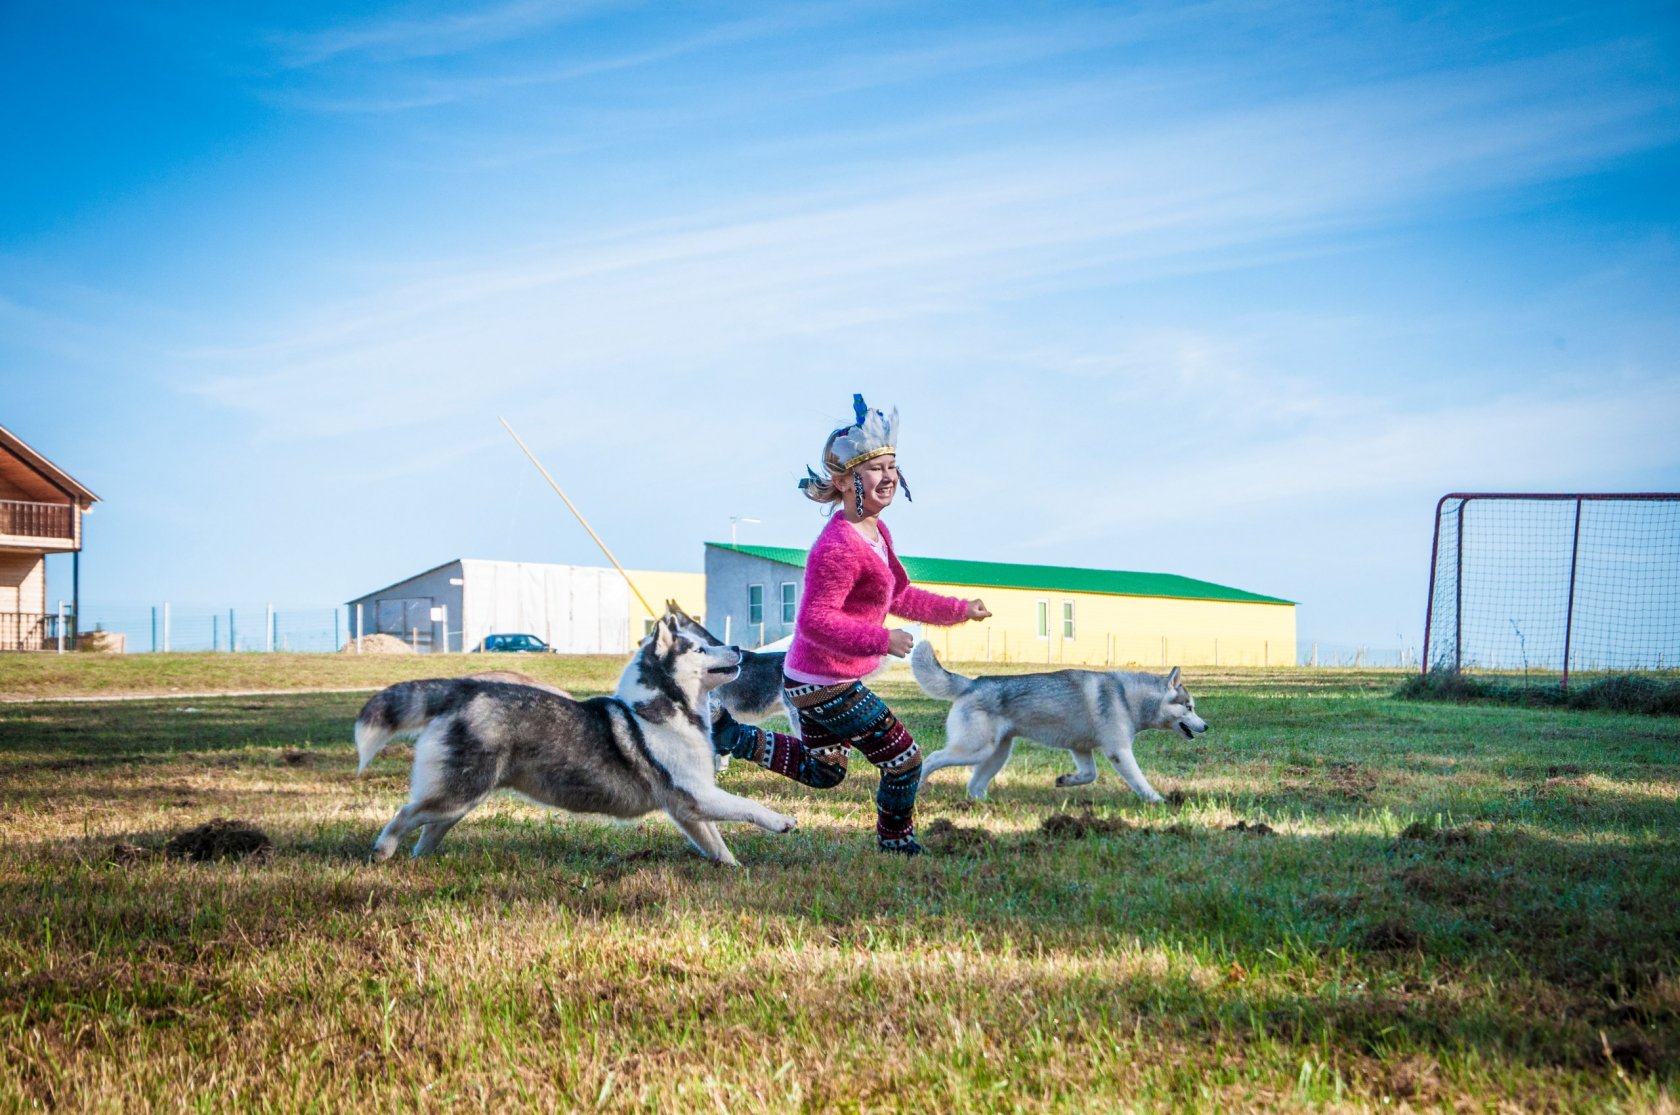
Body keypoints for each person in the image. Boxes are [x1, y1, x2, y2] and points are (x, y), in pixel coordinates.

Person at [715, 395, 990, 855]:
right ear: (844, 482)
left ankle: (731, 735)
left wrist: (960, 610)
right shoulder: (839, 546)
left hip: (809, 678)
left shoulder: (877, 533)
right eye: (875, 468)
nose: (889, 477)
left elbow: (898, 595)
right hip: (825, 683)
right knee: (904, 760)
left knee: (826, 772)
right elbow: (816, 621)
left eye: (892, 467)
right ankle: (896, 843)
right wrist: (883, 638)